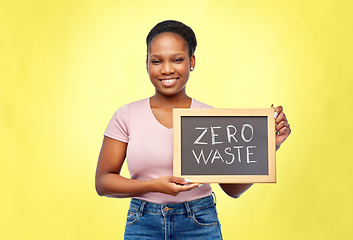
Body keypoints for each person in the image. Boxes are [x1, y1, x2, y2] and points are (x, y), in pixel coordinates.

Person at [95, 20, 291, 240]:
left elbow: (232, 190)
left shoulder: (209, 118)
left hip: (199, 222)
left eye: (177, 59)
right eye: (157, 61)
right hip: (143, 222)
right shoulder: (127, 115)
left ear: (192, 61)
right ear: (147, 64)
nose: (167, 69)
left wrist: (270, 145)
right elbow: (103, 182)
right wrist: (153, 186)